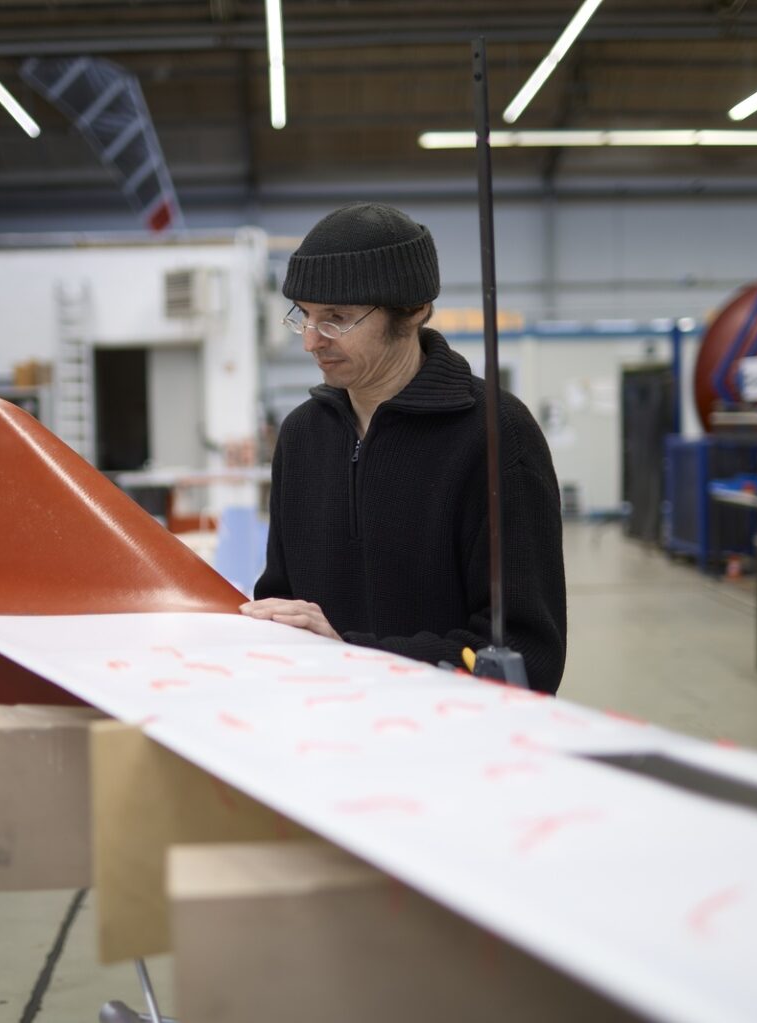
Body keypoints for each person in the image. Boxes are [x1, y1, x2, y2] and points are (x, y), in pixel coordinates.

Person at [240, 202, 568, 693]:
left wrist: (352, 655)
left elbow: (527, 658)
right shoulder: (303, 436)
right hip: (319, 740)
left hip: (445, 749)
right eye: (303, 316)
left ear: (413, 311)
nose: (310, 341)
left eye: (337, 318)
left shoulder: (497, 435)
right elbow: (282, 605)